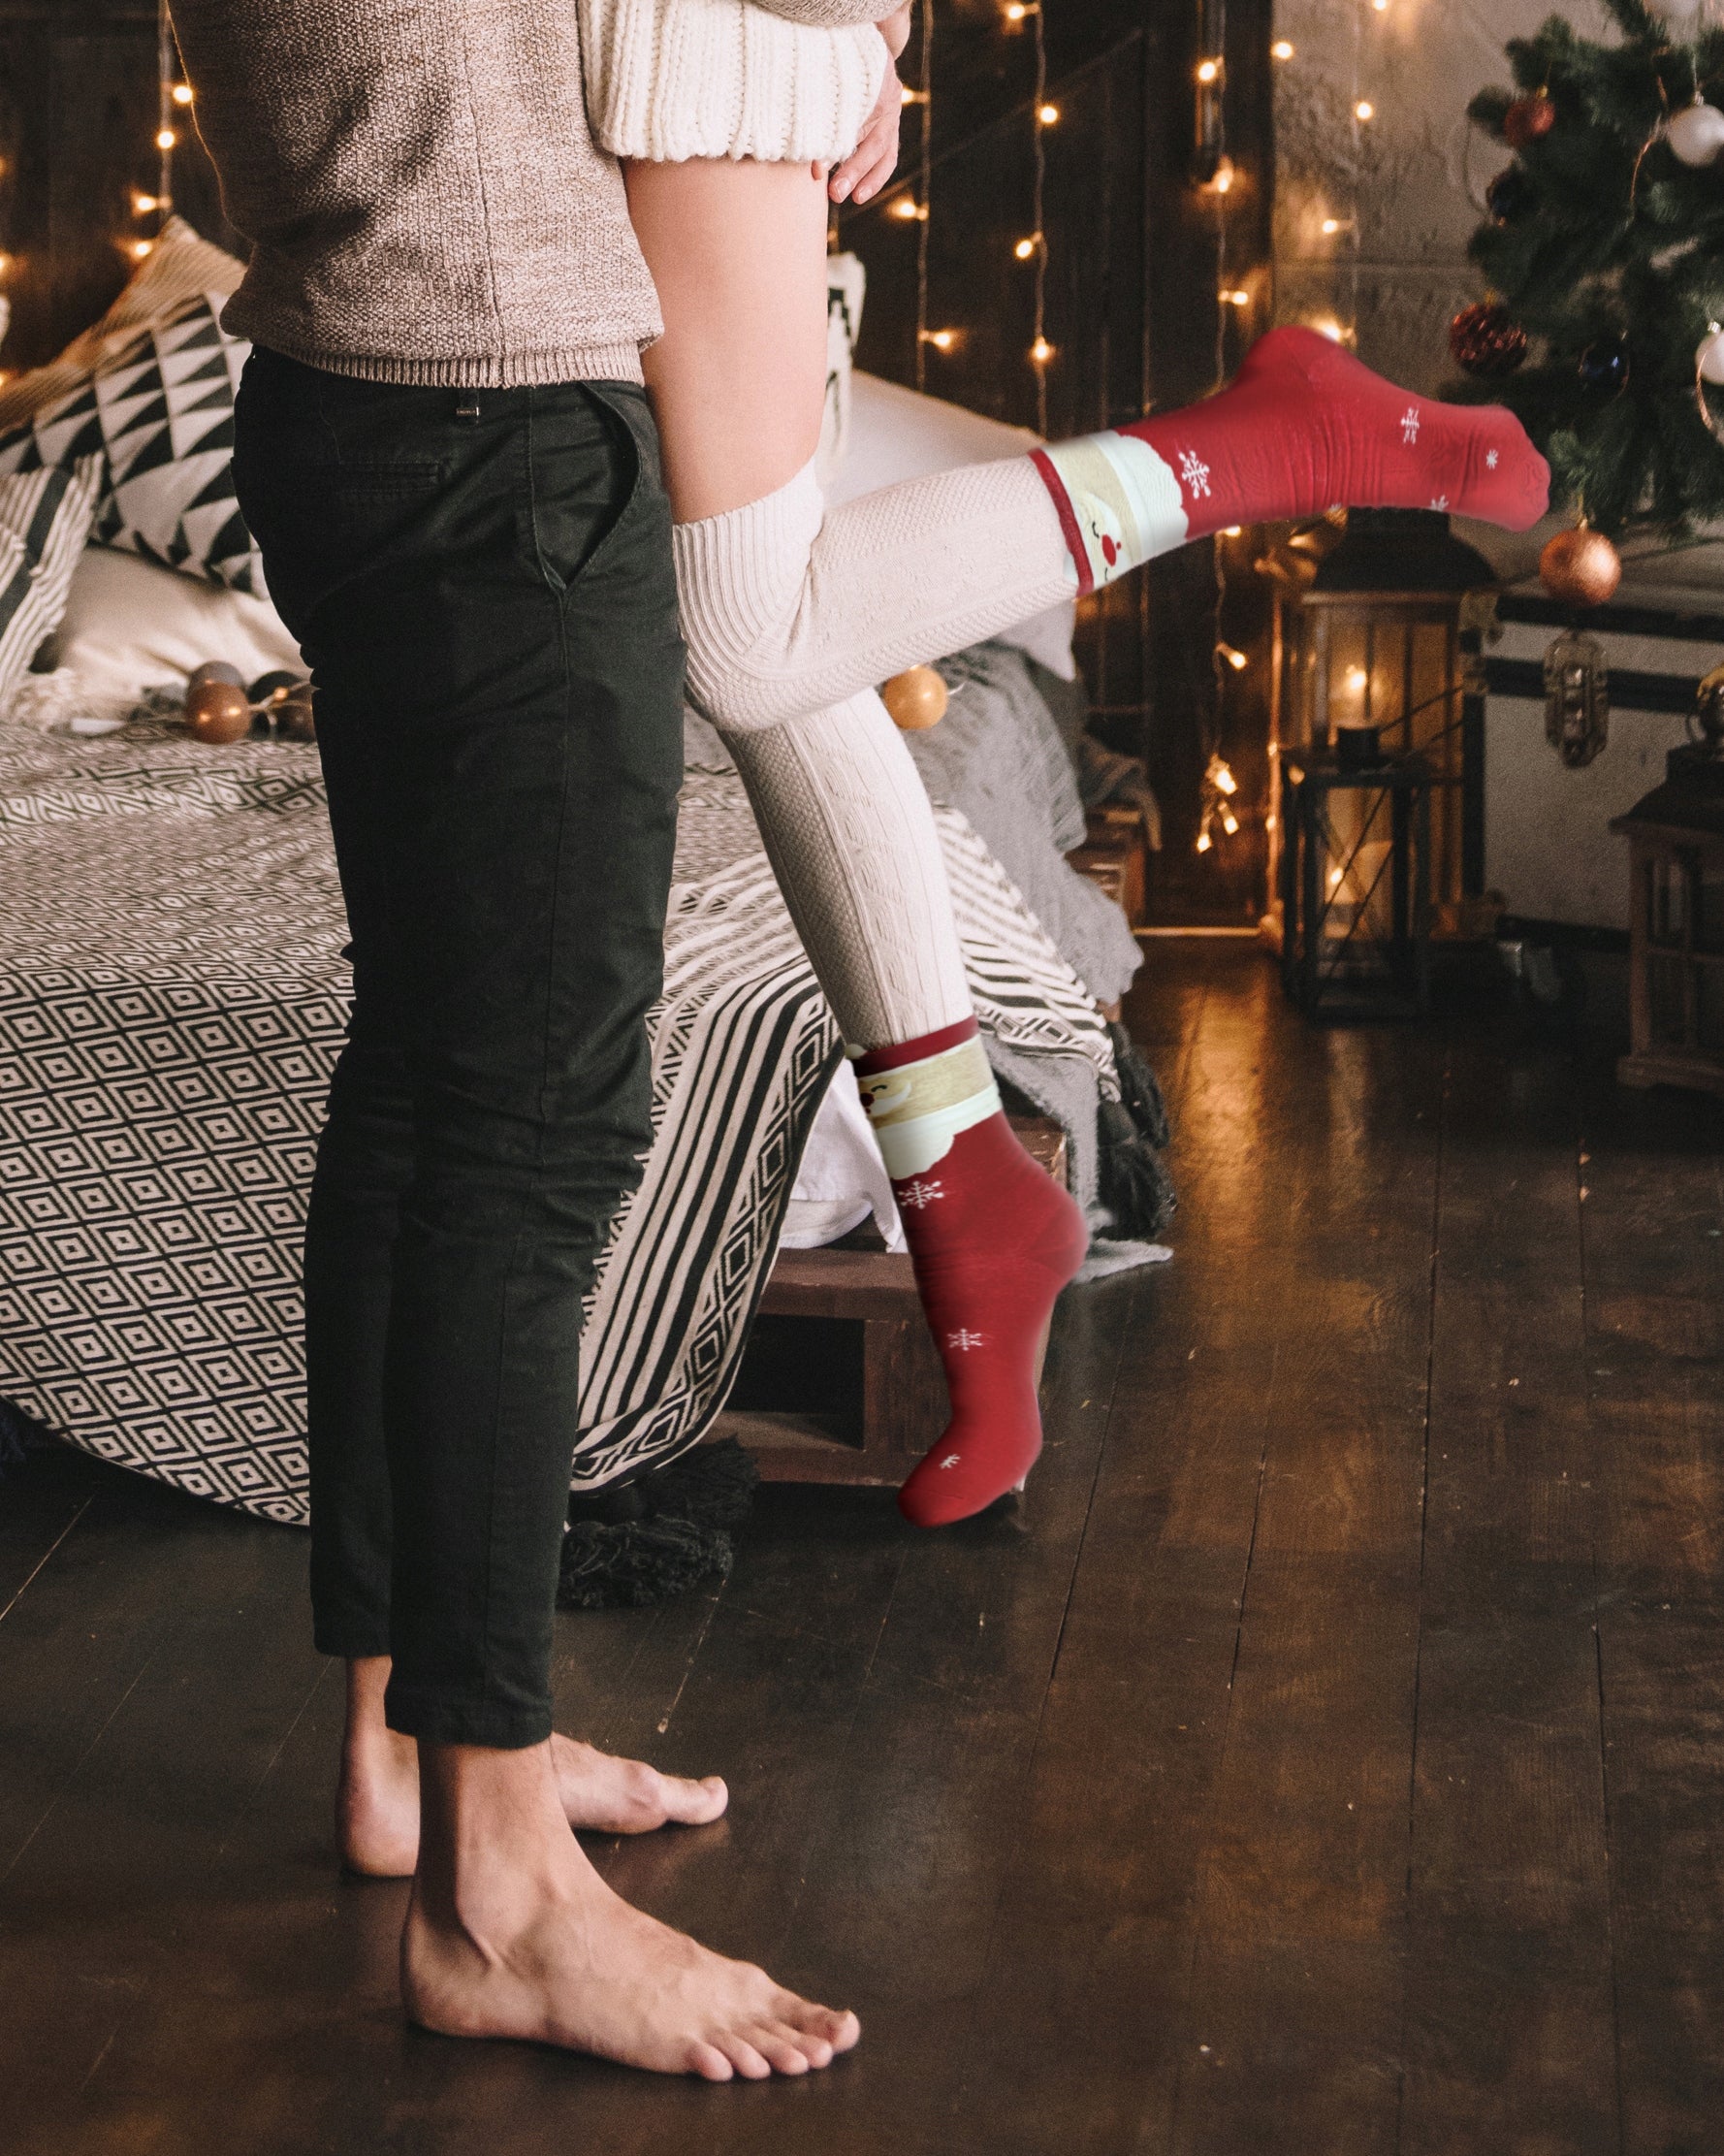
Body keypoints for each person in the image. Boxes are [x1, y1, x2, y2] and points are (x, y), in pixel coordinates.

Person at [169, 0, 893, 2083]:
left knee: (430, 1087)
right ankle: (496, 1896)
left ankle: (414, 1751)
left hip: (366, 379)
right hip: (488, 404)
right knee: (524, 1133)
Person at [592, 0, 1550, 1529]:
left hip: (686, 41)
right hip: (611, 72)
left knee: (754, 640)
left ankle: (1266, 442)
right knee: (790, 647)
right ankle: (958, 1185)